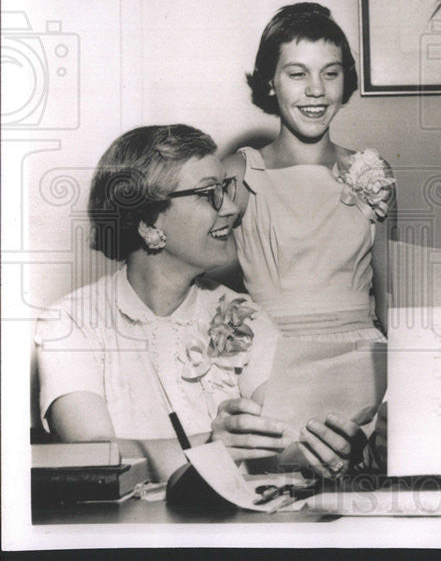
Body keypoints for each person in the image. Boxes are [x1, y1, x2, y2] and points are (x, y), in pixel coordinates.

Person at [34, 125, 364, 481]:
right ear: (147, 222)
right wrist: (210, 449)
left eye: (226, 188)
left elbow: (284, 432)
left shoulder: (240, 314)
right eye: (210, 193)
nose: (234, 208)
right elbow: (92, 458)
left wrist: (324, 446)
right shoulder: (72, 320)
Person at [224, 3, 396, 343]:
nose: (316, 90)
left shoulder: (374, 171)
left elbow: (391, 295)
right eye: (297, 74)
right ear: (270, 81)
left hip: (363, 360)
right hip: (273, 359)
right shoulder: (239, 173)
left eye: (330, 73)